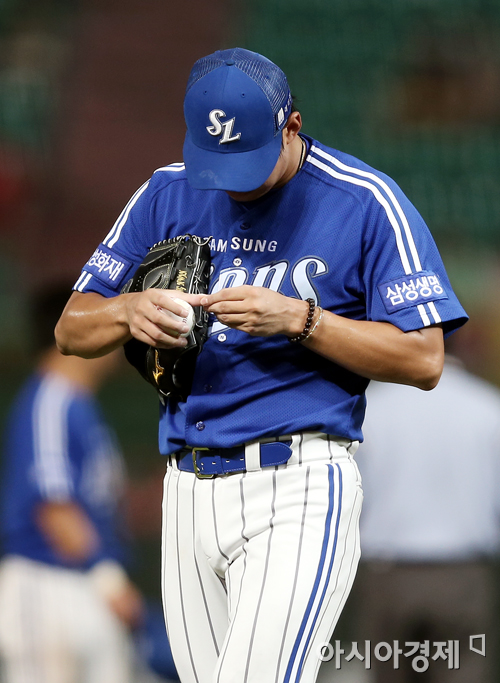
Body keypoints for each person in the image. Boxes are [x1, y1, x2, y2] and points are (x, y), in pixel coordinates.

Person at [54, 47, 468, 683]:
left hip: (297, 483)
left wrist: (304, 321)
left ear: (292, 126)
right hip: (186, 485)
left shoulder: (363, 201)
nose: (234, 179)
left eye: (249, 156)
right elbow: (70, 329)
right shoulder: (167, 191)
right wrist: (127, 310)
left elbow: (424, 357)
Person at [0, 284, 143, 683]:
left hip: (85, 585)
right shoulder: (51, 397)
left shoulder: (78, 403)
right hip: (46, 583)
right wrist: (109, 581)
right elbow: (54, 506)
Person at [353, 349, 500, 683]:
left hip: (387, 573)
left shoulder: (371, 407)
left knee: (388, 673)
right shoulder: (489, 407)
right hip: (464, 572)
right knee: (464, 671)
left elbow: (354, 496)